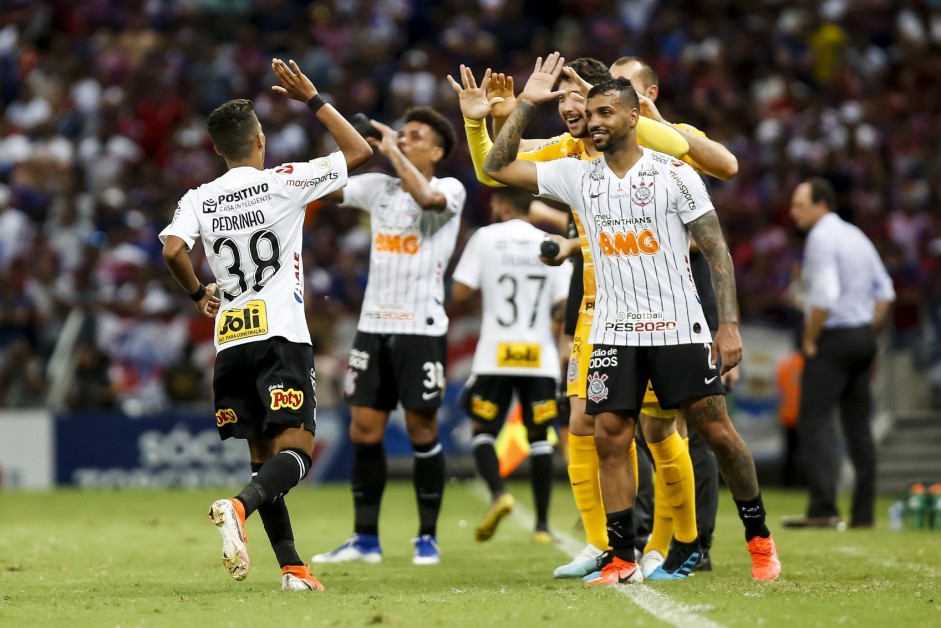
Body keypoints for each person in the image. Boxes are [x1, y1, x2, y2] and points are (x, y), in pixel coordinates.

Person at [484, 55, 781, 584]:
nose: (593, 121)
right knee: (610, 435)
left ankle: (759, 540)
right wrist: (528, 101)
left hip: (677, 327)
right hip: (612, 332)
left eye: (604, 112)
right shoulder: (577, 176)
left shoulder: (674, 174)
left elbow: (717, 253)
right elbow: (496, 166)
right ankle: (621, 556)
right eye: (589, 113)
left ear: (631, 117)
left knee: (717, 431)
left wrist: (728, 324)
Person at [448, 58, 696, 580]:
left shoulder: (641, 141)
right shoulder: (566, 151)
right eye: (559, 100)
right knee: (585, 423)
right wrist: (478, 122)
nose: (566, 108)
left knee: (656, 428)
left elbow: (683, 150)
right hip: (596, 307)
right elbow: (490, 168)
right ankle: (603, 543)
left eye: (574, 97)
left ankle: (669, 545)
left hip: (658, 303)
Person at [159, 59, 372, 591]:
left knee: (262, 457)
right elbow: (360, 152)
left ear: (216, 149)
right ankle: (237, 507)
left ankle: (293, 569)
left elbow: (171, 249)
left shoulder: (199, 197)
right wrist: (314, 98)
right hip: (280, 335)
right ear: (260, 139)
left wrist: (197, 293)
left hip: (231, 341)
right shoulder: (283, 181)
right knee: (297, 449)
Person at [311, 106, 465, 566]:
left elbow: (427, 200)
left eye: (414, 136)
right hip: (372, 327)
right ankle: (364, 540)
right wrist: (330, 122)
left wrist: (393, 151)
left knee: (421, 428)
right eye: (403, 133)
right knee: (363, 428)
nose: (404, 138)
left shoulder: (448, 189)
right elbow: (325, 184)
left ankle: (427, 537)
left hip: (420, 328)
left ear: (436, 151)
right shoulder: (378, 189)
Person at [610, 55, 740, 575]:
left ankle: (699, 543)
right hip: (631, 293)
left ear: (652, 93)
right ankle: (651, 537)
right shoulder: (607, 143)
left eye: (627, 91)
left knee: (699, 420)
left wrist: (657, 126)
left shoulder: (675, 135)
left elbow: (728, 165)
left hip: (686, 291)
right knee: (645, 425)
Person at [451, 186, 571, 543]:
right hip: (539, 355)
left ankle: (500, 493)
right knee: (540, 439)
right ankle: (543, 525)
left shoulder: (484, 238)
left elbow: (459, 292)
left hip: (495, 352)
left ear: (503, 206)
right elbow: (564, 304)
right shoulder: (550, 241)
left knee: (483, 429)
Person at [782, 177, 895, 529]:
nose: (792, 212)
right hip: (862, 336)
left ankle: (823, 509)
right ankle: (863, 515)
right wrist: (866, 327)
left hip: (833, 337)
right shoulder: (856, 235)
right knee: (858, 427)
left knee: (814, 421)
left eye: (800, 205)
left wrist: (811, 338)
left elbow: (826, 296)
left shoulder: (820, 237)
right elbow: (886, 291)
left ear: (821, 204)